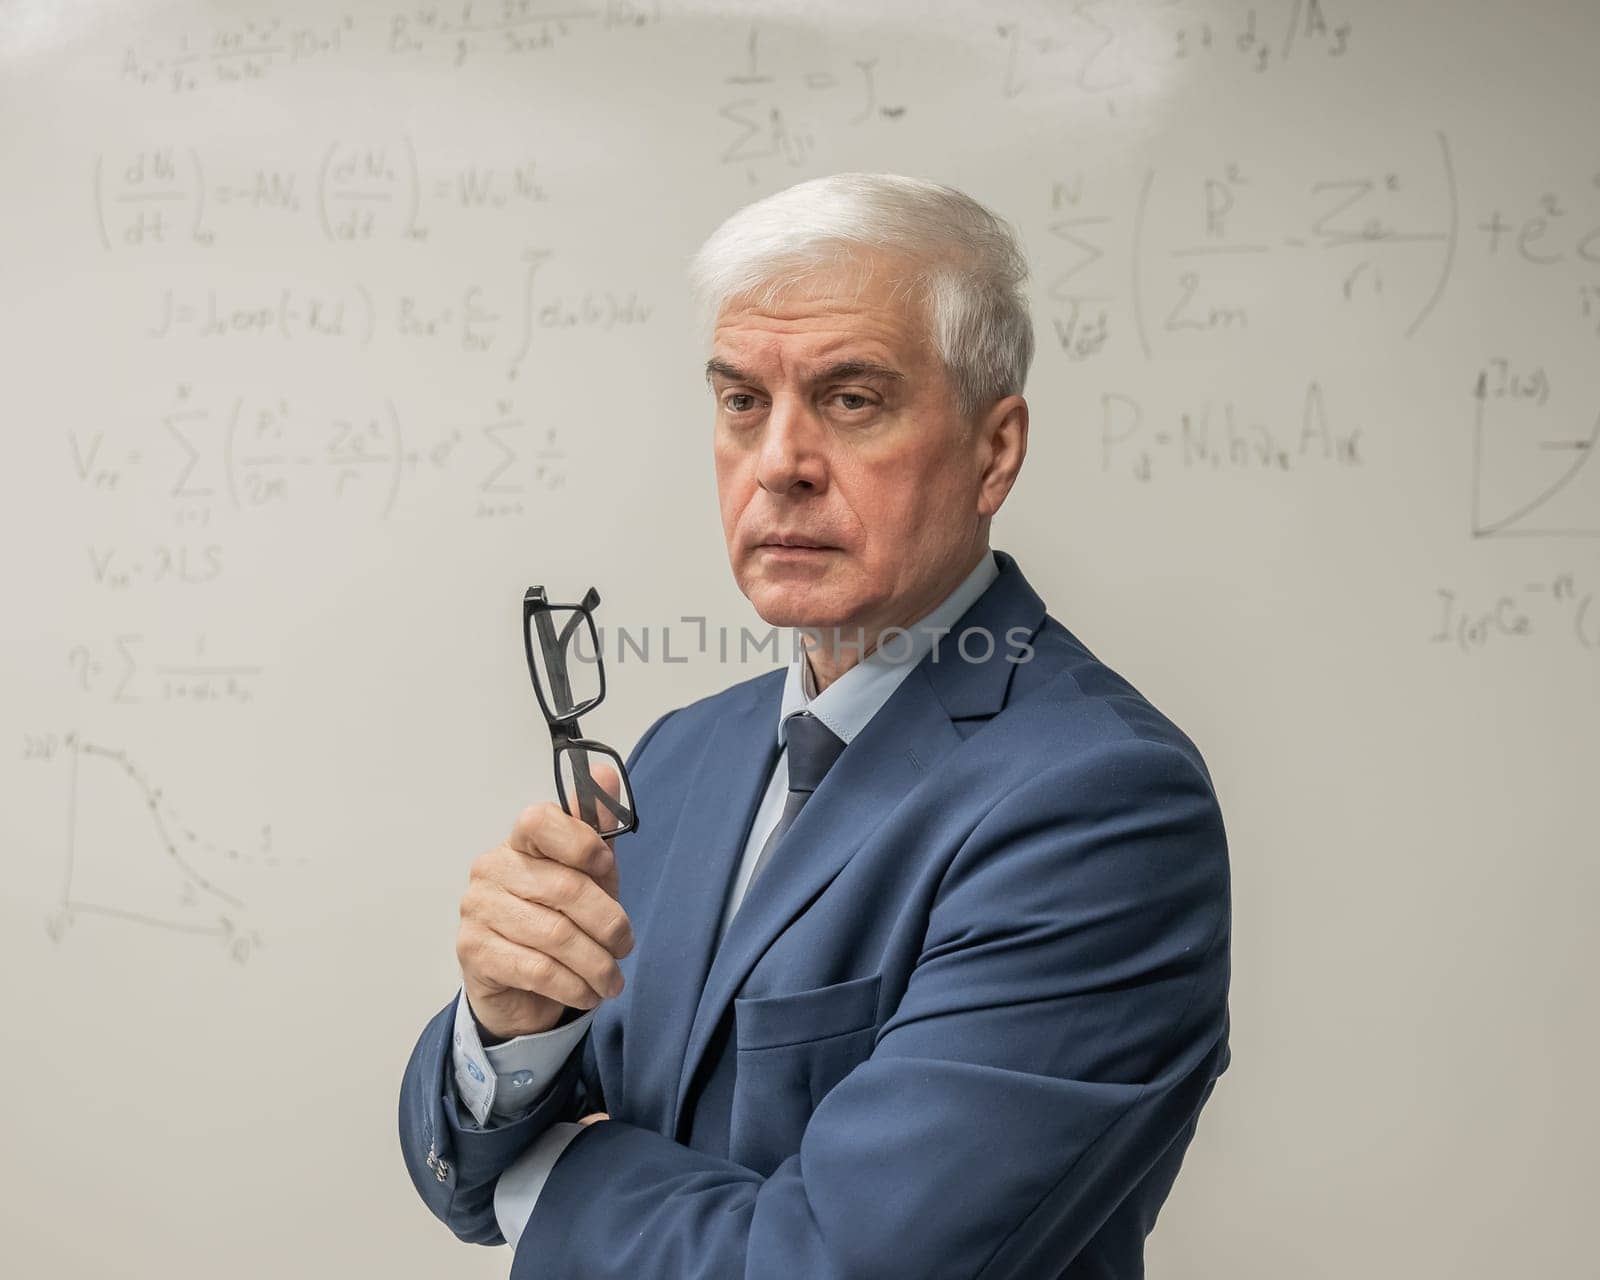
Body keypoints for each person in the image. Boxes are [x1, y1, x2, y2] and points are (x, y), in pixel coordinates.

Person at [399, 172, 1232, 1278]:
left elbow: (837, 1265)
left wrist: (552, 1176)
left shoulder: (1104, 804)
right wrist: (511, 1028)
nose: (779, 463)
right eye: (743, 401)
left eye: (850, 398)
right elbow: (461, 1169)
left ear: (995, 451)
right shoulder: (680, 754)